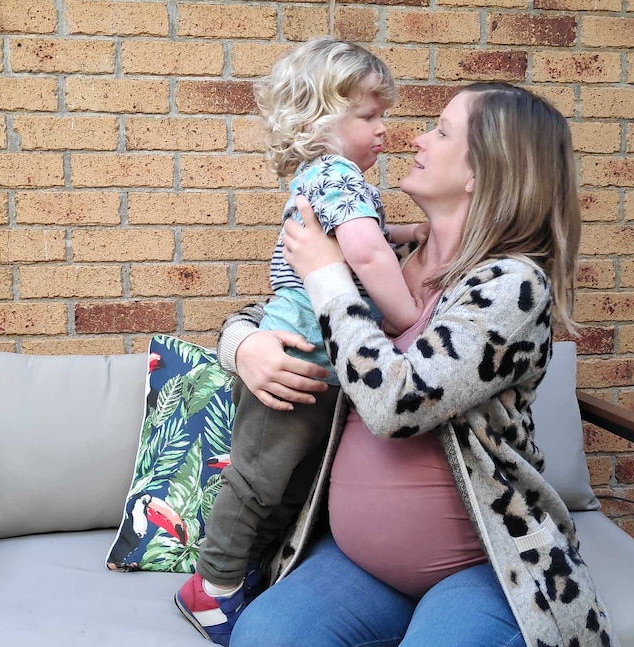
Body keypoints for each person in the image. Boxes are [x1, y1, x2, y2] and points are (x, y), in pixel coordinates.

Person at [216, 82, 618, 647]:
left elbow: (400, 404)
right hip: (358, 566)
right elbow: (267, 316)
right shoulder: (390, 257)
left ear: (483, 170)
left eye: (442, 130)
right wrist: (242, 347)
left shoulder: (512, 287)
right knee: (263, 638)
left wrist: (327, 276)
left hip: (484, 566)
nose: (419, 138)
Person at [174, 37, 426, 646]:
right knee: (260, 479)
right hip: (296, 353)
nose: (384, 130)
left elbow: (363, 236)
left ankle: (247, 575)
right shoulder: (336, 173)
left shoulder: (334, 182)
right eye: (369, 117)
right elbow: (362, 251)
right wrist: (405, 315)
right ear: (318, 119)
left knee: (292, 482)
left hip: (320, 361)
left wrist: (409, 230)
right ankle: (211, 584)